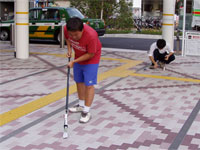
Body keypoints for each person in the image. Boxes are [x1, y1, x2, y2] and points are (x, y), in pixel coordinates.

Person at [64, 17, 102, 123]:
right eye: (72, 34)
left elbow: (90, 54)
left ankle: (86, 111)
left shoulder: (91, 35)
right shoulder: (66, 29)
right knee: (79, 81)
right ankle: (81, 105)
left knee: (89, 85)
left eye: (76, 35)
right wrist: (69, 50)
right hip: (79, 56)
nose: (74, 37)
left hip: (92, 58)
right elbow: (67, 38)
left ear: (82, 30)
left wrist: (74, 62)